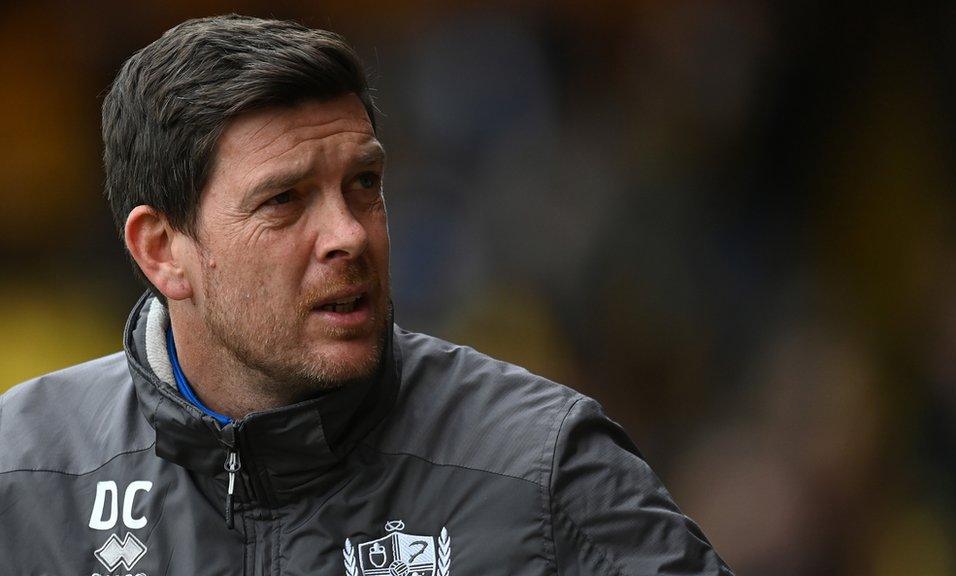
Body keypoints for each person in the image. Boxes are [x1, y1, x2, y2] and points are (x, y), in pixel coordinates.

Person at [0, 15, 732, 575]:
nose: (349, 234)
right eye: (284, 201)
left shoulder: (539, 467)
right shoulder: (24, 473)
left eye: (365, 185)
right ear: (162, 251)